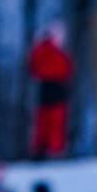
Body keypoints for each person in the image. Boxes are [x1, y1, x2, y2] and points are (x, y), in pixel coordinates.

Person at [27, 26, 74, 160]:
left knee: (43, 122)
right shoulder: (56, 52)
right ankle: (55, 151)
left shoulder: (38, 51)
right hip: (56, 90)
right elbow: (68, 69)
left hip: (45, 90)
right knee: (55, 122)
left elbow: (33, 69)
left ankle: (41, 150)